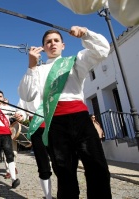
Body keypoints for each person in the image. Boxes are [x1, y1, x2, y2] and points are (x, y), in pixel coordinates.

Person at [18, 26, 112, 198]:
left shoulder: (74, 61)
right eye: (48, 42)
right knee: (64, 173)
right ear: (43, 47)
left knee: (97, 168)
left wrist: (86, 33)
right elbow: (27, 95)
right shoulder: (38, 71)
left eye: (56, 41)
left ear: (63, 45)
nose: (52, 44)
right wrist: (31, 66)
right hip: (56, 124)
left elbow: (103, 50)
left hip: (81, 120)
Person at [14, 98, 53, 199]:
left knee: (61, 163)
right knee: (43, 165)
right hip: (36, 130)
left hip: (54, 126)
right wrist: (20, 114)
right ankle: (48, 197)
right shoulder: (27, 85)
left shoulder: (52, 83)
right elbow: (22, 107)